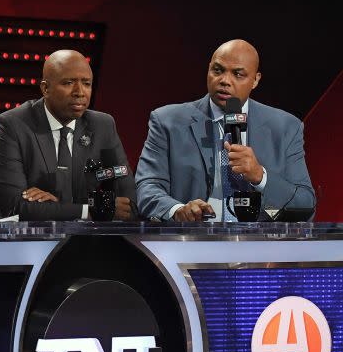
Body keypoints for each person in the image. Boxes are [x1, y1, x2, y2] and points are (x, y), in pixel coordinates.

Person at [135, 39, 315, 221]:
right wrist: (178, 210)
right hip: (191, 240)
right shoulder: (167, 121)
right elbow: (147, 187)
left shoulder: (285, 127)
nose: (224, 81)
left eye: (238, 74)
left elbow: (305, 204)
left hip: (258, 243)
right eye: (218, 70)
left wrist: (260, 177)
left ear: (255, 80)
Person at [0, 50, 136, 220]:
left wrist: (56, 207)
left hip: (86, 241)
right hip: (28, 240)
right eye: (68, 83)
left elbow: (128, 204)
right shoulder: (11, 126)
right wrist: (92, 210)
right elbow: (15, 207)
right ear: (45, 88)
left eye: (87, 83)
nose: (80, 92)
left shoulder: (103, 126)